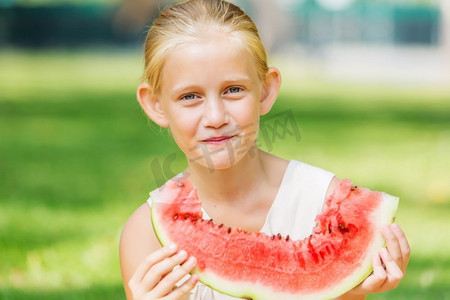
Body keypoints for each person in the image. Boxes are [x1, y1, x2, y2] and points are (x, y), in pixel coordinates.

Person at [119, 0, 410, 299]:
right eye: (190, 96)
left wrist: (349, 292)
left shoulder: (321, 204)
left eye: (233, 90)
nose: (216, 118)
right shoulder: (146, 235)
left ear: (267, 90)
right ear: (156, 105)